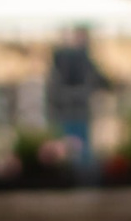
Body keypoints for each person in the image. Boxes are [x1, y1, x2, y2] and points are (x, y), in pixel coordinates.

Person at [44, 26, 113, 168]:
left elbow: (101, 81)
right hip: (71, 113)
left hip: (74, 113)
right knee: (72, 150)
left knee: (75, 151)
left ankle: (78, 172)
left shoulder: (69, 58)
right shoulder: (68, 58)